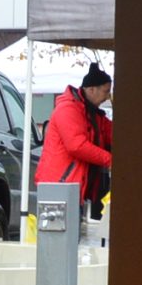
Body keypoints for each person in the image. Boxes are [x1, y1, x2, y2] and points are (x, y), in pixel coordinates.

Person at [35, 65, 113, 217]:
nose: (107, 97)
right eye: (106, 91)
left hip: (71, 187)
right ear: (92, 90)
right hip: (60, 186)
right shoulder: (68, 109)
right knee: (62, 231)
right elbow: (77, 146)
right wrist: (109, 160)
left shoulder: (91, 113)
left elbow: (112, 133)